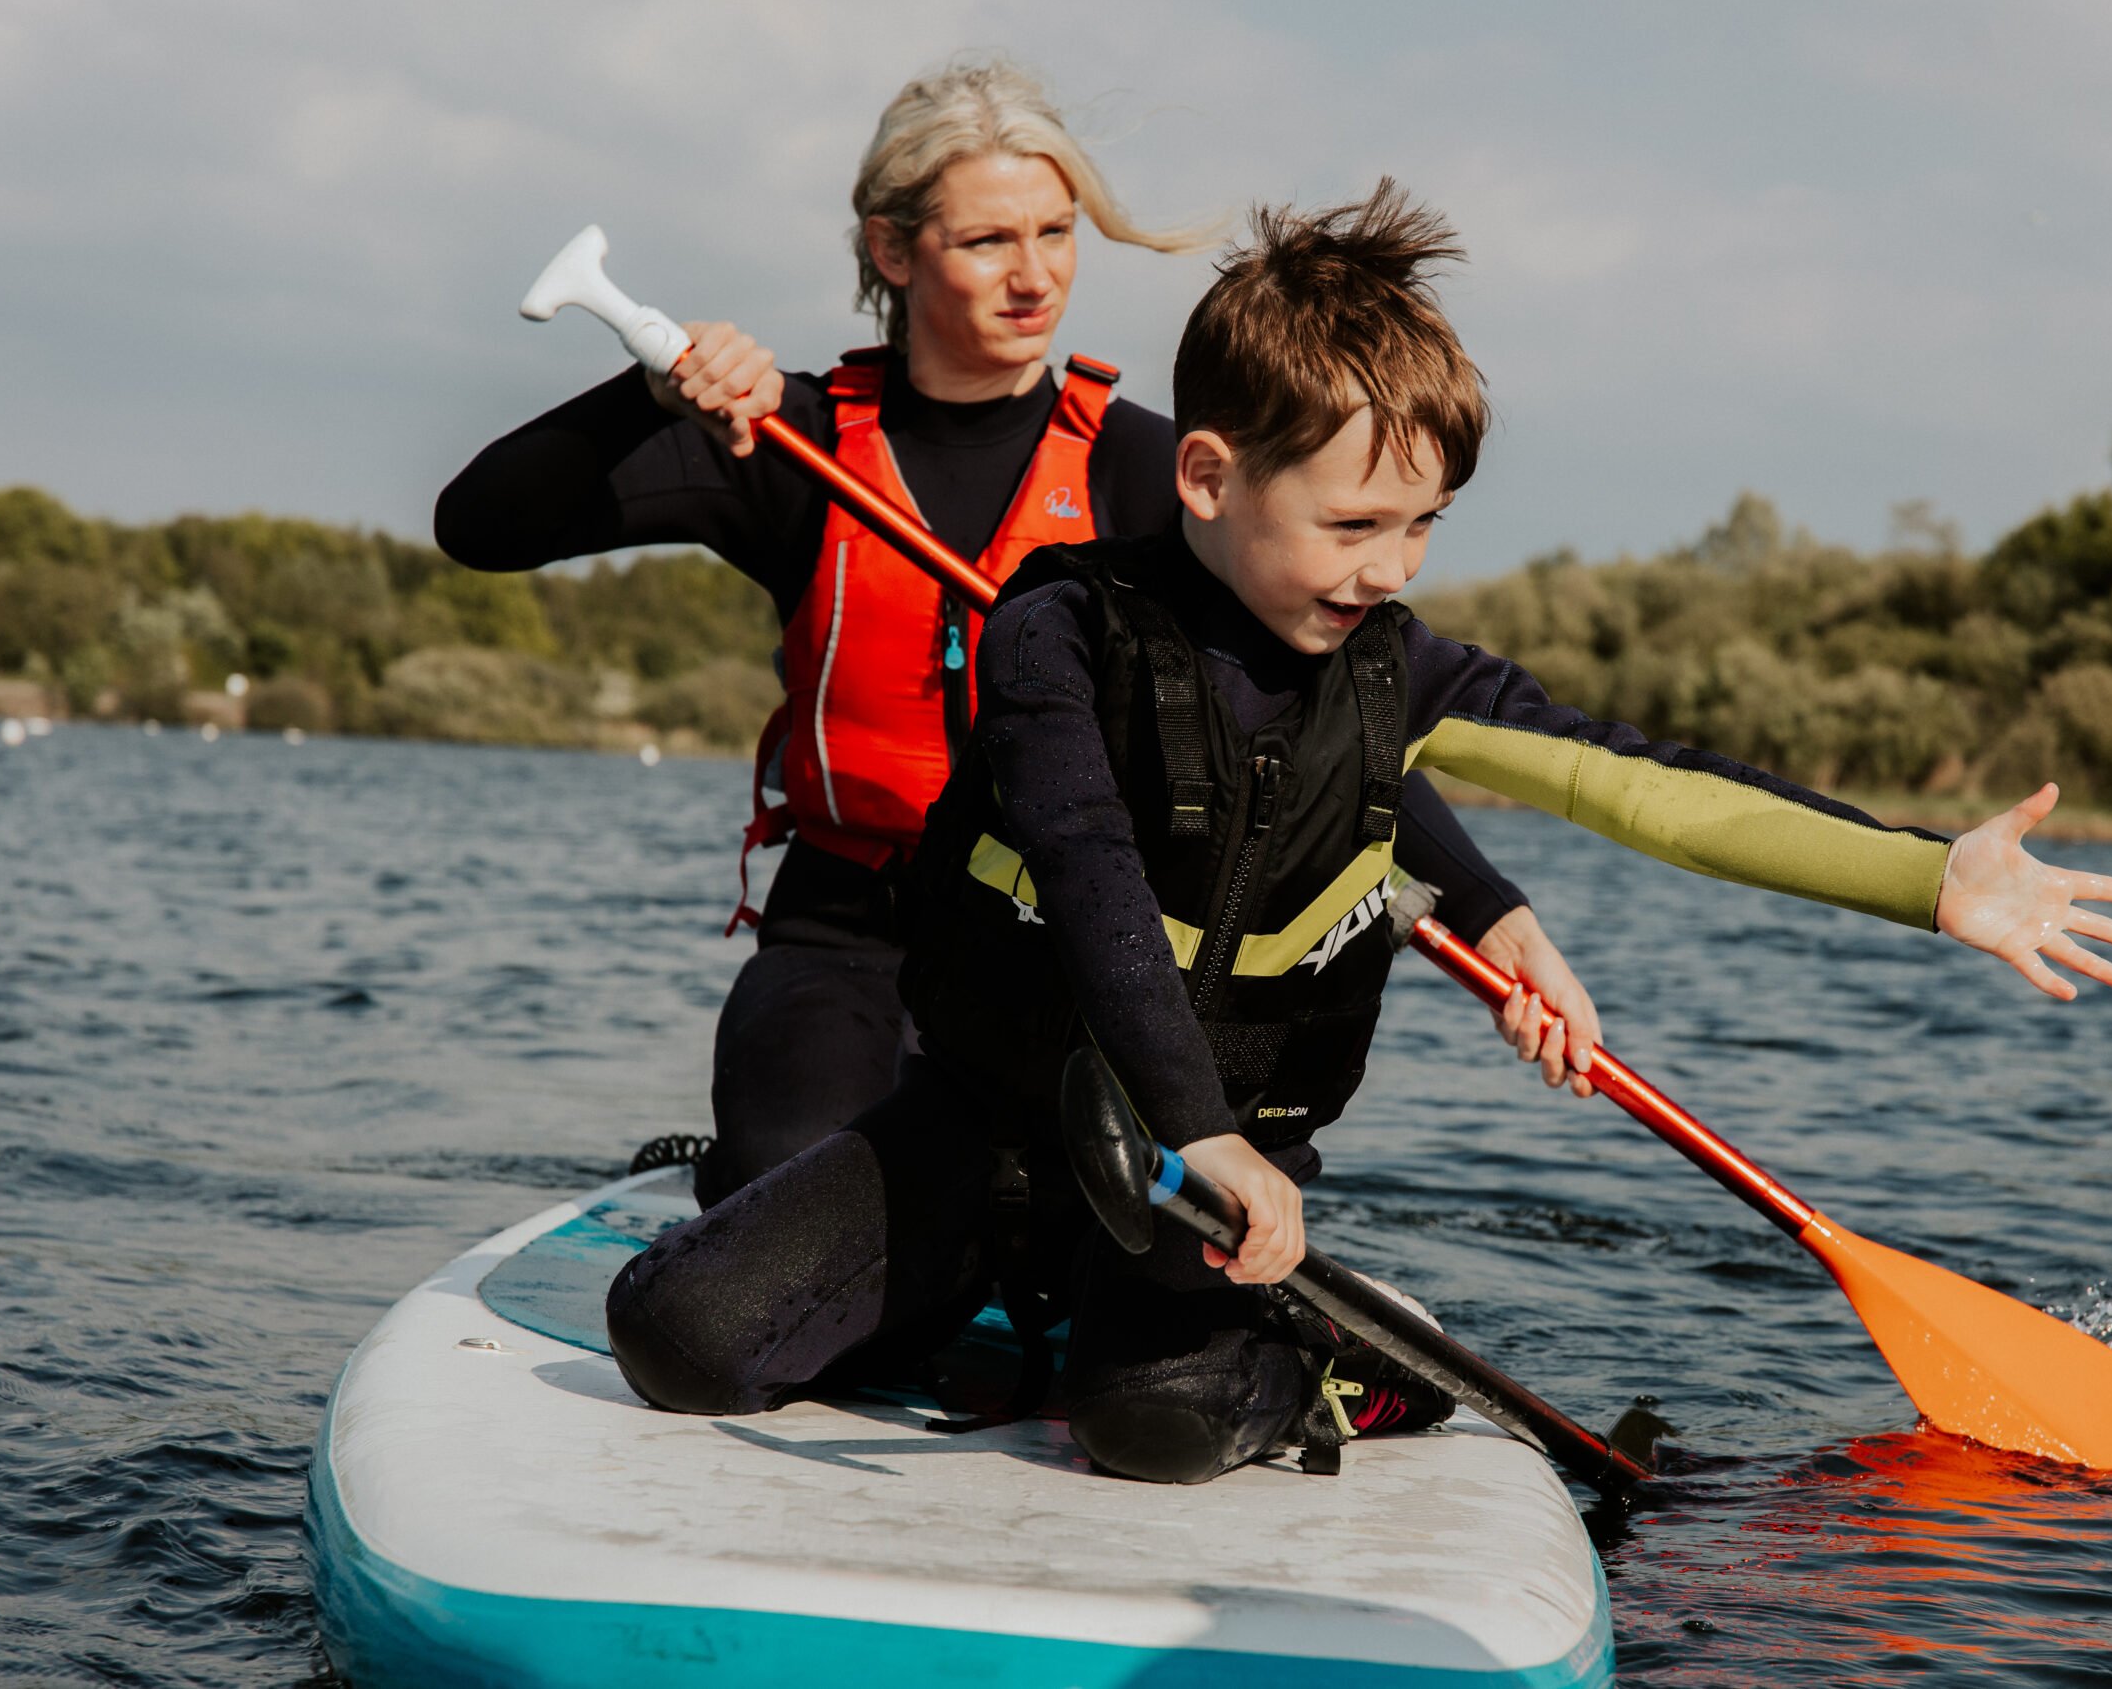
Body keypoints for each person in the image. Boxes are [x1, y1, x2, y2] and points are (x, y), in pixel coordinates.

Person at [602, 183, 2112, 1485]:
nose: (1389, 565)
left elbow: (1641, 782)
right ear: (1206, 476)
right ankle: (978, 1284)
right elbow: (1079, 861)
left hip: (1211, 1182)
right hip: (1006, 1119)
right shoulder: (1053, 629)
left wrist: (1921, 871)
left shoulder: (1403, 669)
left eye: (1422, 525)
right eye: (1353, 523)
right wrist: (1185, 1112)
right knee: (678, 1339)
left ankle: (1318, 1366)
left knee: (1145, 1427)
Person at [435, 59, 1601, 1210]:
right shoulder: (783, 441)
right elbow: (477, 526)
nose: (1034, 275)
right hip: (849, 934)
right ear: (893, 252)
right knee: (796, 1184)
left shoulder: (1155, 471)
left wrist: (1495, 914)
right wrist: (648, 395)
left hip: (1061, 944)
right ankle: (760, 1175)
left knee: (1050, 1215)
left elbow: (1334, 728)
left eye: (1057, 232)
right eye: (989, 241)